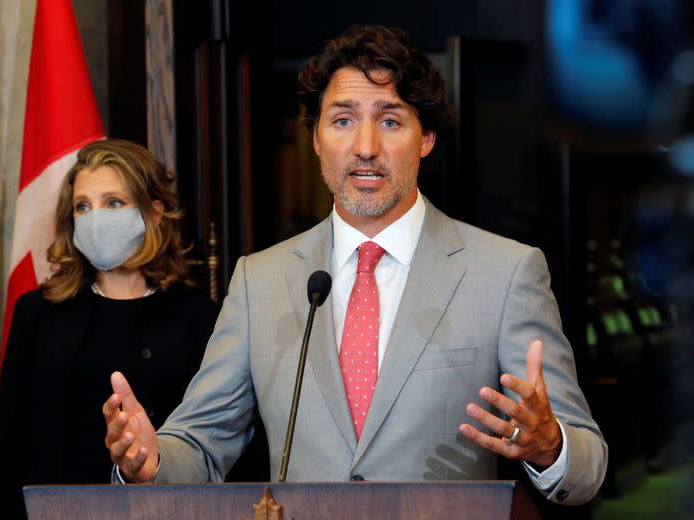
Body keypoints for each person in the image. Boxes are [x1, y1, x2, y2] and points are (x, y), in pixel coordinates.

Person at [104, 26, 607, 505]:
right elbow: (201, 442)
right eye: (343, 120)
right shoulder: (260, 280)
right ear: (317, 138)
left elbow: (588, 464)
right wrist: (148, 461)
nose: (365, 147)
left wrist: (551, 447)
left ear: (425, 138)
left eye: (390, 120)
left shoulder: (506, 273)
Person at [0, 139, 218, 519]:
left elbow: (219, 443)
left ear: (154, 212)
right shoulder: (38, 314)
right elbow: (7, 448)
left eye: (113, 203)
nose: (95, 218)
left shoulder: (199, 318)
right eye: (83, 207)